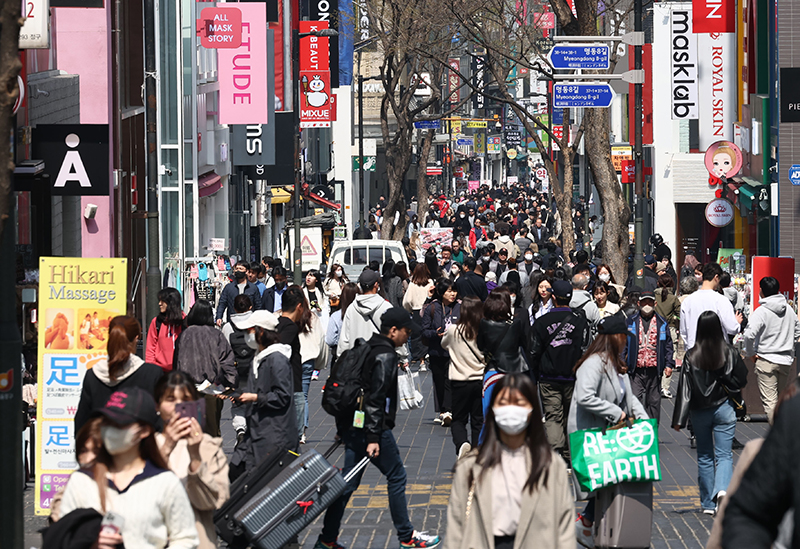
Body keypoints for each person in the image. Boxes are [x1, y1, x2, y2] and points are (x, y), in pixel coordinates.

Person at [314, 308, 440, 549]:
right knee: (396, 475)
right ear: (393, 330)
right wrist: (373, 436)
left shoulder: (366, 348)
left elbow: (354, 391)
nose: (408, 336)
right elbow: (375, 399)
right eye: (406, 331)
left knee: (348, 483)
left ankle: (327, 540)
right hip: (373, 430)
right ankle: (406, 536)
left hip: (355, 425)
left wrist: (344, 427)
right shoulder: (385, 356)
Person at [444, 373, 575, 549]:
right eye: (504, 403)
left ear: (532, 411)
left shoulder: (550, 466)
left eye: (519, 403)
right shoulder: (470, 468)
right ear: (493, 410)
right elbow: (455, 532)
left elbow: (564, 531)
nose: (511, 409)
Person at [59, 387, 199, 549]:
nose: (109, 430)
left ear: (144, 431)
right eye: (106, 422)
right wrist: (88, 541)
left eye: (119, 424)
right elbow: (63, 535)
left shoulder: (165, 482)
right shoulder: (81, 480)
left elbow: (186, 538)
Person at [568, 313, 649, 548]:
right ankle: (585, 523)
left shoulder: (616, 363)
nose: (626, 341)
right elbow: (585, 396)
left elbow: (630, 399)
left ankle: (589, 524)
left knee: (611, 479)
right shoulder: (594, 363)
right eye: (624, 336)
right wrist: (616, 413)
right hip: (591, 433)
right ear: (616, 337)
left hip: (608, 433)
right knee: (606, 480)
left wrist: (644, 422)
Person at [672, 311, 748, 515]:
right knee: (724, 455)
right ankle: (722, 489)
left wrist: (679, 419)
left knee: (705, 456)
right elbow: (742, 379)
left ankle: (707, 503)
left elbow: (685, 389)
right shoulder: (729, 351)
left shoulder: (691, 355)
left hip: (699, 410)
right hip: (724, 407)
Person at [155, 372, 229, 549]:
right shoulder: (146, 445)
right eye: (170, 399)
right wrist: (166, 449)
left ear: (196, 404)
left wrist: (195, 457)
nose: (178, 406)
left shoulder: (209, 447)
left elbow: (214, 501)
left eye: (186, 399)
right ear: (157, 405)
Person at [529, 280, 590, 458]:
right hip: (573, 377)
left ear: (553, 297)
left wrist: (534, 374)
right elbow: (586, 348)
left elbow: (533, 351)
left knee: (552, 415)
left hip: (548, 377)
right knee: (571, 416)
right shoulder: (580, 323)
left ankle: (556, 449)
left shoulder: (541, 322)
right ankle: (571, 453)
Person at [231, 310, 298, 471]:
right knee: (235, 474)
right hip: (257, 433)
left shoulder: (277, 359)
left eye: (250, 331)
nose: (247, 336)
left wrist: (254, 397)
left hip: (274, 436)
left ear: (261, 331)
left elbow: (282, 396)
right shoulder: (260, 356)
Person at [75, 316, 163, 433]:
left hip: (103, 447)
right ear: (136, 339)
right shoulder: (152, 374)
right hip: (139, 448)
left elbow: (81, 423)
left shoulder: (93, 374)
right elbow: (159, 422)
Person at [173, 300, 237, 437]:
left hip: (187, 390)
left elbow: (176, 364)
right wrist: (229, 386)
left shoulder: (184, 335)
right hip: (212, 390)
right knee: (211, 434)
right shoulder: (216, 335)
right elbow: (227, 361)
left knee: (188, 433)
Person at [742, 276, 800, 424]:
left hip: (766, 359)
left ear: (761, 290)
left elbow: (749, 335)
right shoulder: (788, 309)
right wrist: (788, 342)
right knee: (780, 400)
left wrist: (750, 354)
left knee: (770, 402)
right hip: (785, 360)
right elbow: (798, 330)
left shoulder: (761, 312)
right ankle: (785, 432)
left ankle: (780, 437)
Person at [441, 296, 485, 458]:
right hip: (479, 379)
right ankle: (476, 450)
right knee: (477, 419)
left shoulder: (454, 331)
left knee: (459, 419)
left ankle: (462, 444)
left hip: (459, 380)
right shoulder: (483, 330)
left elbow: (444, 345)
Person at [624, 290, 675, 424]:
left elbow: (668, 345)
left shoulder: (661, 322)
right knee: (634, 400)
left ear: (655, 303)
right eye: (644, 302)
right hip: (636, 370)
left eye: (650, 302)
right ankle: (635, 430)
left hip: (654, 370)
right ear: (639, 303)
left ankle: (652, 432)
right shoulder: (631, 321)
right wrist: (621, 362)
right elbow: (624, 344)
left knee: (653, 403)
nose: (647, 305)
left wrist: (669, 364)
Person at [422, 278, 461, 427]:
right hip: (436, 351)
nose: (453, 294)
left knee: (449, 380)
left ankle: (448, 410)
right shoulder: (432, 308)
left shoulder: (459, 307)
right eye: (449, 291)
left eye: (454, 291)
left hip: (454, 351)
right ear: (441, 292)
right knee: (439, 381)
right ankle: (442, 410)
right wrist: (434, 334)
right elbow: (424, 330)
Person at [679, 263, 743, 350]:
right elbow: (732, 328)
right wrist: (737, 322)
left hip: (694, 352)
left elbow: (683, 332)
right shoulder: (721, 300)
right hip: (717, 353)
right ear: (716, 277)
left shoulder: (688, 301)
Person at [221, 294, 255, 441]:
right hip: (254, 370)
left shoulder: (228, 327)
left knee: (237, 402)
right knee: (253, 401)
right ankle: (251, 433)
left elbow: (224, 352)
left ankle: (240, 429)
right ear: (250, 307)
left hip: (236, 371)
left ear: (234, 308)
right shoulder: (256, 324)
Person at [337, 269, 392, 356]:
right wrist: (402, 356)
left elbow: (345, 338)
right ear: (376, 285)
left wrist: (340, 358)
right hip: (381, 359)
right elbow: (394, 334)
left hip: (357, 360)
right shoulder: (385, 307)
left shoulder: (352, 308)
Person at [655, 274, 680, 398]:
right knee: (670, 354)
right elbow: (680, 313)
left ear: (658, 283)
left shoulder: (653, 296)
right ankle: (665, 387)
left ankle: (655, 384)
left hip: (654, 328)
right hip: (669, 328)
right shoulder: (673, 298)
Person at [146, 288, 184, 371]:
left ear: (171, 302)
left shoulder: (185, 321)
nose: (159, 304)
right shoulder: (157, 322)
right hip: (160, 371)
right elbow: (150, 348)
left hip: (181, 371)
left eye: (162, 301)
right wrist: (150, 370)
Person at [215, 261, 262, 325]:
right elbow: (222, 303)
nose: (238, 271)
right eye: (236, 269)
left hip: (249, 322)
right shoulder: (229, 287)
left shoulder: (253, 288)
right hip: (232, 321)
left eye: (241, 269)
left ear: (247, 271)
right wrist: (219, 317)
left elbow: (258, 305)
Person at [326, 282, 360, 363]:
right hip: (360, 355)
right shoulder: (364, 314)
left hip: (340, 356)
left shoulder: (336, 316)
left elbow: (330, 340)